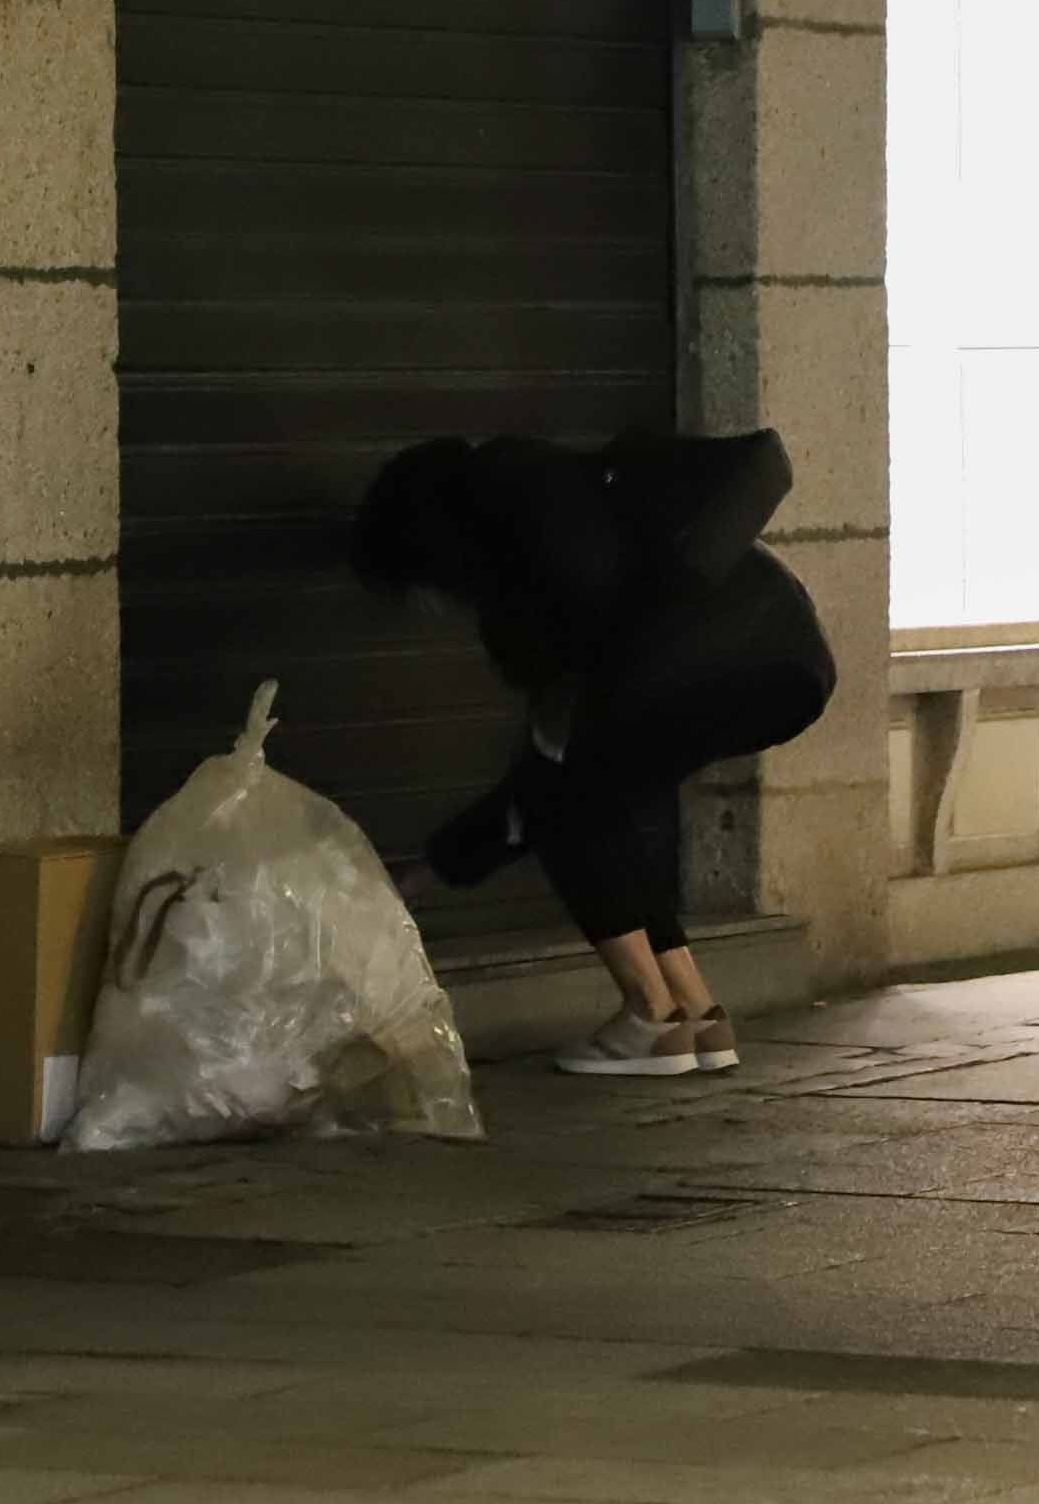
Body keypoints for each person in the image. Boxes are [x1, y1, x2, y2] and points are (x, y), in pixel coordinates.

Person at [355, 427, 835, 1079]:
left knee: (569, 802)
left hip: (703, 663)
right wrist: (436, 866)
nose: (428, 609)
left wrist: (432, 867)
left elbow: (541, 779)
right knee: (600, 799)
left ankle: (651, 1015)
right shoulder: (562, 491)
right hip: (785, 656)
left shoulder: (528, 556)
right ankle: (696, 1013)